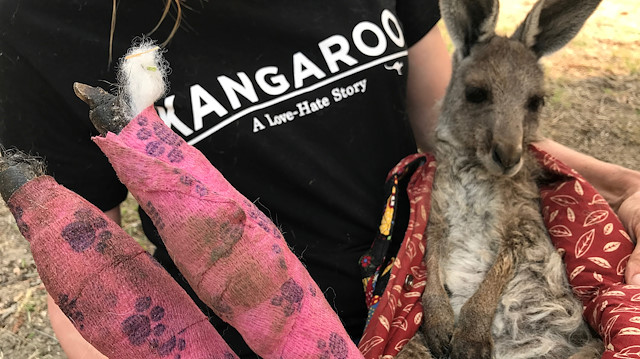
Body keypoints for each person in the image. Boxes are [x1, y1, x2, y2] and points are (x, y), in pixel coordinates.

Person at [1, 1, 639, 358]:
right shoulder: (41, 23)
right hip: (257, 342)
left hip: (432, 302)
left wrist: (618, 187)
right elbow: (86, 268)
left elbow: (446, 127)